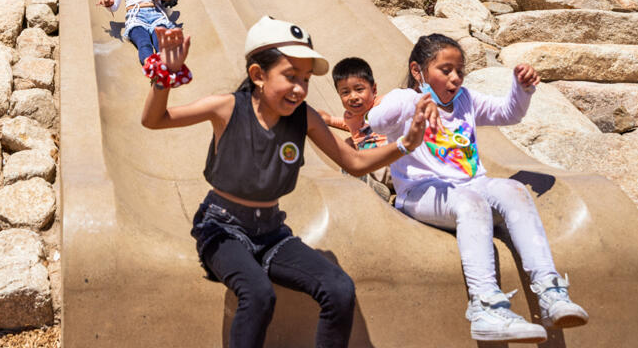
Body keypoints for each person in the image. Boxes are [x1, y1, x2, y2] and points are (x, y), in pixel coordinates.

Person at [141, 17, 431, 348]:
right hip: (221, 229)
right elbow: (154, 120)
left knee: (339, 289)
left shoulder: (303, 117)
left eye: (305, 79)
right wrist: (163, 78)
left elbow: (354, 162)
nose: (299, 88)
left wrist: (406, 143)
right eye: (290, 77)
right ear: (258, 75)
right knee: (258, 294)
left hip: (272, 233)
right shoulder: (226, 108)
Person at [367, 33, 590, 343]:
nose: (455, 78)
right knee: (471, 202)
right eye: (445, 70)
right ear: (418, 71)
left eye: (460, 70)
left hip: (470, 184)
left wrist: (522, 88)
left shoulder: (465, 100)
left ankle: (550, 292)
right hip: (420, 192)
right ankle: (485, 305)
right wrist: (415, 105)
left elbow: (507, 113)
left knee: (514, 191)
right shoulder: (404, 99)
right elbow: (375, 121)